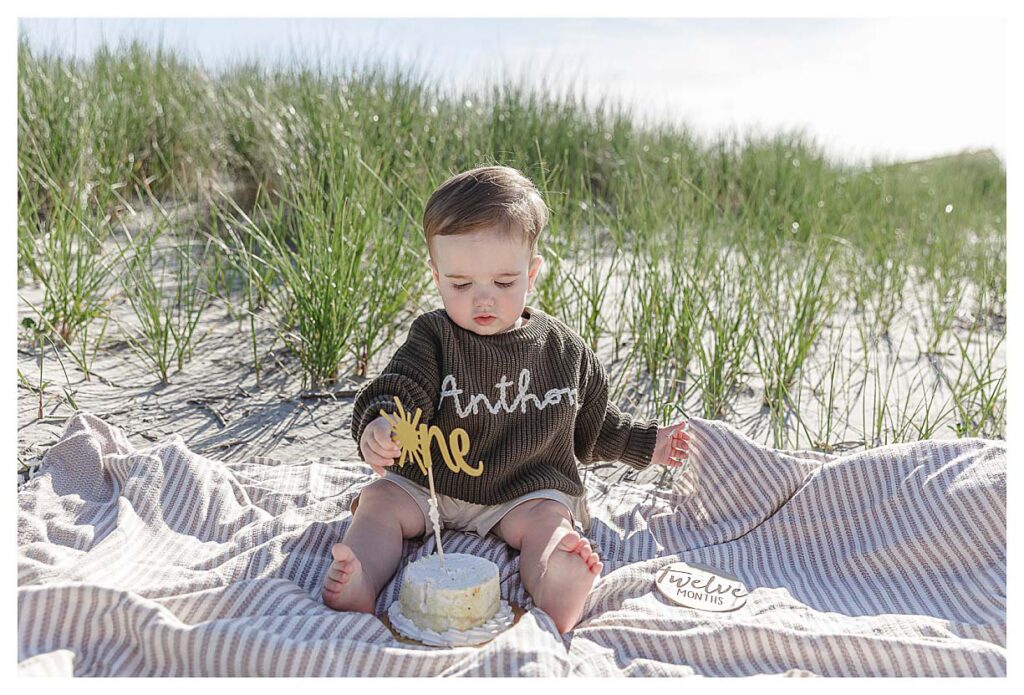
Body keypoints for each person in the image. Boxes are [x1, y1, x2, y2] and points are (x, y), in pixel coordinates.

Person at [322, 165, 691, 634]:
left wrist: (648, 443)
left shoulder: (562, 349)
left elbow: (595, 428)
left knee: (549, 523)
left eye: (503, 282)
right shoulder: (434, 336)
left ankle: (557, 580)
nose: (484, 301)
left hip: (522, 491)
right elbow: (402, 385)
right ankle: (361, 575)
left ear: (531, 273)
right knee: (378, 502)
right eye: (461, 284)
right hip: (432, 482)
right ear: (435, 275)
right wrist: (381, 424)